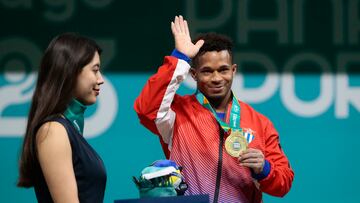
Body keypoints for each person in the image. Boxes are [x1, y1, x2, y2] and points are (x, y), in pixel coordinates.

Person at [134, 15, 294, 202]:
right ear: (194, 74)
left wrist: (263, 168)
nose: (217, 78)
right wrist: (180, 58)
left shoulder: (260, 123)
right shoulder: (177, 113)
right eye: (207, 71)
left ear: (233, 70)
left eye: (223, 70)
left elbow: (284, 182)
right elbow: (146, 109)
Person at [17, 33, 107, 203]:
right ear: (71, 71)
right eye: (95, 70)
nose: (100, 79)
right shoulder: (53, 131)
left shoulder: (65, 128)